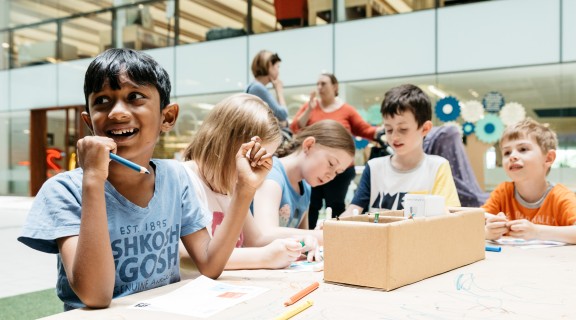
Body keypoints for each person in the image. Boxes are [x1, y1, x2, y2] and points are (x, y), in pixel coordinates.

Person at [17, 49, 272, 310]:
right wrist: (93, 179)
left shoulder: (175, 177)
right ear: (88, 121)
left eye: (135, 97)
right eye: (102, 101)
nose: (116, 113)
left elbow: (210, 264)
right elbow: (95, 297)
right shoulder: (64, 190)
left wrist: (244, 189)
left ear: (167, 117)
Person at [181, 93, 320, 270]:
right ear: (229, 143)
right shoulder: (184, 179)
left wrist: (296, 242)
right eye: (254, 157)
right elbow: (187, 255)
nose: (255, 166)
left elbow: (256, 239)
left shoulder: (231, 186)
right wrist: (264, 257)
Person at [342, 84, 461, 216]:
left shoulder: (437, 167)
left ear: (425, 128)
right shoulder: (374, 167)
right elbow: (353, 210)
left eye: (403, 129)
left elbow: (449, 219)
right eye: (388, 129)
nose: (394, 137)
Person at [290, 73, 380, 228]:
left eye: (323, 83)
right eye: (317, 84)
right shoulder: (311, 106)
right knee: (312, 205)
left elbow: (365, 130)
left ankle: (337, 237)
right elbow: (296, 128)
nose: (319, 87)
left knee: (336, 204)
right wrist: (309, 110)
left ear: (335, 86)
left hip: (340, 169)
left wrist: (389, 130)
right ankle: (310, 238)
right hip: (315, 164)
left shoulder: (347, 110)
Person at [252, 120, 355, 241]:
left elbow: (303, 238)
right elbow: (265, 233)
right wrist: (323, 236)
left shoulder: (306, 187)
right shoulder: (272, 174)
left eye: (338, 173)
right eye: (331, 164)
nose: (331, 176)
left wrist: (314, 237)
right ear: (309, 145)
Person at [483, 118, 576, 244]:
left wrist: (537, 232)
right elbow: (472, 224)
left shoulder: (561, 197)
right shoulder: (502, 192)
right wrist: (487, 232)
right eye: (507, 152)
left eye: (523, 149)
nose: (512, 156)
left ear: (548, 158)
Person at [246, 50, 289, 128]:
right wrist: (279, 91)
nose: (278, 71)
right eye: (277, 67)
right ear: (269, 65)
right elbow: (283, 115)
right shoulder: (258, 88)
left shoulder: (254, 86)